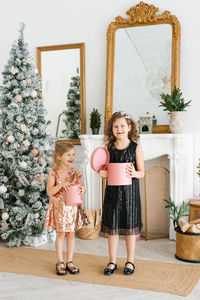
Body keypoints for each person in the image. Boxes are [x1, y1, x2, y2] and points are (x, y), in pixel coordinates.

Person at [99, 111, 144, 276]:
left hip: (130, 194)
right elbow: (102, 169)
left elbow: (142, 172)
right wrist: (102, 173)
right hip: (112, 194)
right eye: (116, 126)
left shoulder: (135, 148)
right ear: (112, 129)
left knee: (130, 229)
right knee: (113, 229)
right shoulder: (108, 149)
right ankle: (112, 260)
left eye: (122, 126)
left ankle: (130, 260)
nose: (119, 129)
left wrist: (134, 173)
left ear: (129, 127)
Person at [44, 142, 89, 276]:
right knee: (61, 234)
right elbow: (49, 192)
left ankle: (69, 261)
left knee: (71, 234)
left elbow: (80, 189)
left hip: (72, 209)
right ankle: (60, 261)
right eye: (68, 155)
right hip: (59, 209)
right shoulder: (54, 173)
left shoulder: (75, 172)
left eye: (73, 154)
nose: (72, 157)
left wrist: (83, 190)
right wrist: (61, 185)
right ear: (58, 157)